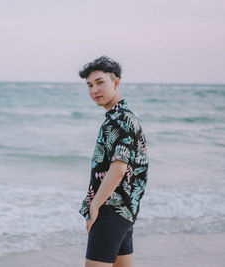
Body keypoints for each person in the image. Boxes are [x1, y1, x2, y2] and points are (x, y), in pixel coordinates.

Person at [78, 56, 149, 267]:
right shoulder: (121, 117)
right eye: (90, 85)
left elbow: (118, 169)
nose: (94, 90)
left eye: (100, 82)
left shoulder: (120, 120)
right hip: (124, 211)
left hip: (110, 209)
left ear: (116, 82)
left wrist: (94, 207)